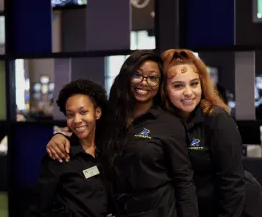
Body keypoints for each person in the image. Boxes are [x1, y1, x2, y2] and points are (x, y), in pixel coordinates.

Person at [46, 51, 198, 217]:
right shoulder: (111, 117)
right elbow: (82, 128)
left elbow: (184, 182)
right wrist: (59, 136)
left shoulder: (169, 124)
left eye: (153, 78)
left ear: (160, 83)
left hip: (158, 211)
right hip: (118, 210)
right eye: (137, 75)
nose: (144, 82)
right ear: (127, 76)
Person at [161, 49, 262, 217]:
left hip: (237, 206)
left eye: (194, 83)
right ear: (164, 89)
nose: (189, 92)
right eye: (178, 86)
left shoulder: (216, 118)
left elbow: (232, 182)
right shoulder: (165, 122)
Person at [28, 78, 109, 217]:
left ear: (97, 113)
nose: (77, 120)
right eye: (70, 115)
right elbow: (40, 207)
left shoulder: (109, 149)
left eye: (83, 112)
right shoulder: (59, 154)